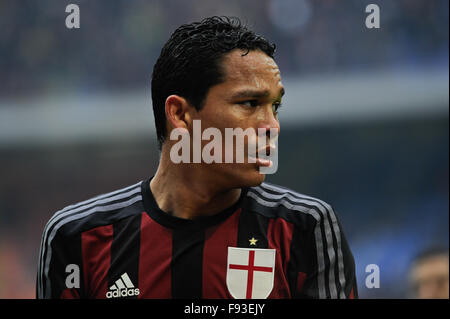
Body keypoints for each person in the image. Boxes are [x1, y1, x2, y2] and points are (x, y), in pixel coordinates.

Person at [37, 16, 357, 299]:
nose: (271, 125)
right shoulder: (77, 238)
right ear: (180, 114)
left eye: (275, 107)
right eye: (249, 103)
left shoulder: (304, 228)